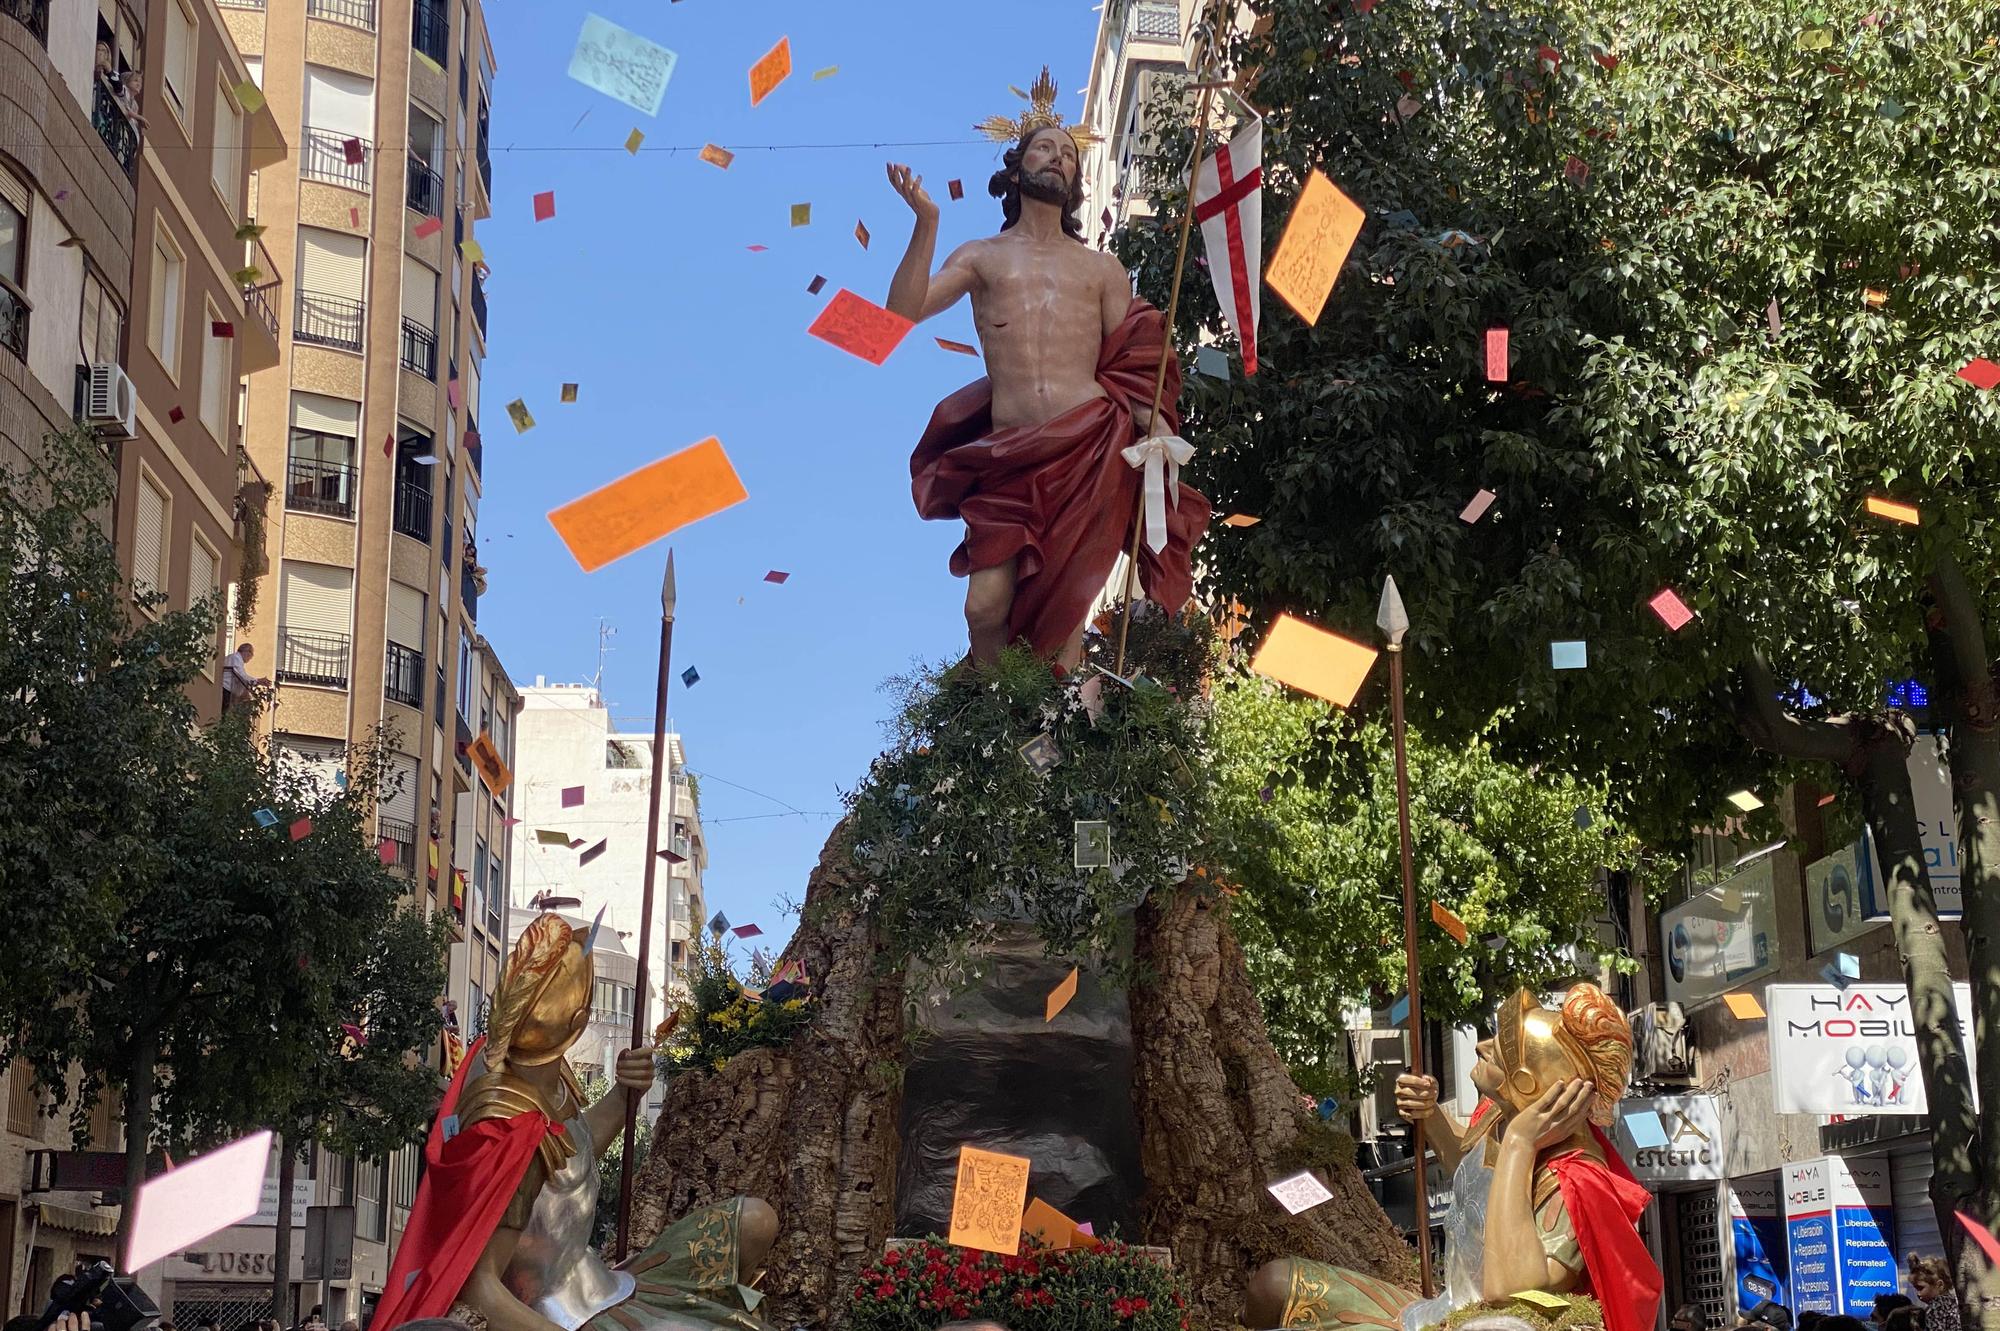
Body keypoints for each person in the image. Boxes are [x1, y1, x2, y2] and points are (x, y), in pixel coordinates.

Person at [886, 69, 1209, 670]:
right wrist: (926, 223)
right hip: (1007, 457)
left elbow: (1137, 359)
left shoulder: (1100, 269)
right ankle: (993, 723)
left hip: (1089, 449)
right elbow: (902, 312)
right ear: (1017, 168)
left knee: (1065, 617)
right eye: (1045, 148)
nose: (1059, 159)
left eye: (1068, 155)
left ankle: (1043, 749)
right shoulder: (981, 256)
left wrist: (1154, 432)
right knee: (983, 608)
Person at [373, 912, 775, 1331]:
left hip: (602, 1284)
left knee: (754, 1221)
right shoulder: (507, 1126)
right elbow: (478, 1286)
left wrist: (623, 1095)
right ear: (579, 1021)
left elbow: (569, 1167)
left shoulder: (549, 1076)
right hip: (557, 1316)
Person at [1243, 985, 1662, 1331]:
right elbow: (1467, 1166)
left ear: (1526, 1085)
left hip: (1474, 1325)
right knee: (1272, 1285)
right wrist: (1432, 1115)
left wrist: (1520, 1144)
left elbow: (1509, 1291)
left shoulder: (1573, 1180)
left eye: (1497, 1052)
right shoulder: (1499, 1114)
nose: (1481, 1046)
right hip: (1439, 1308)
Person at [1908, 1254, 1959, 1331]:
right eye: (1916, 1289)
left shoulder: (1935, 1308)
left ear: (1939, 1285)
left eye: (1921, 1288)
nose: (1918, 1294)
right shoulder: (1954, 1301)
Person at [222, 642, 268, 712]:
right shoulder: (236, 658)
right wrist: (258, 681)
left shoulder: (235, 658)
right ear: (247, 652)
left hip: (228, 689)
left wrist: (257, 681)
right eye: (251, 654)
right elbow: (242, 676)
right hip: (226, 689)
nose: (251, 657)